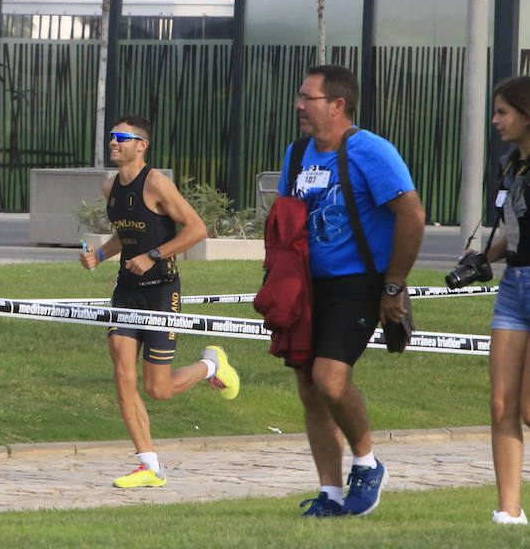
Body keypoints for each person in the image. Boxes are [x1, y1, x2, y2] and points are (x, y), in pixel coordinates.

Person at [277, 65, 425, 517]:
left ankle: (366, 463)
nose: (299, 106)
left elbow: (412, 216)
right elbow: (286, 218)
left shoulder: (370, 150)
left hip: (358, 285)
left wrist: (394, 285)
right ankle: (329, 493)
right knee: (308, 386)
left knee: (330, 380)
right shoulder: (297, 152)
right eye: (300, 97)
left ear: (338, 105)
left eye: (309, 98)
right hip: (306, 286)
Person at [79, 114, 241, 488]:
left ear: (142, 145)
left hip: (161, 289)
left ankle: (211, 366)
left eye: (122, 137)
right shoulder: (110, 188)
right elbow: (125, 234)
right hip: (127, 291)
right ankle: (149, 464)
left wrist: (153, 255)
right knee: (123, 375)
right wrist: (101, 255)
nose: (114, 143)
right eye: (112, 137)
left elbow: (197, 229)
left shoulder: (156, 183)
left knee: (158, 388)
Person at [470, 75, 530, 525]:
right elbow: (514, 230)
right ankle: (508, 512)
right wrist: (481, 257)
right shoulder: (512, 165)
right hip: (513, 286)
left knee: (529, 408)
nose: (494, 121)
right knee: (501, 404)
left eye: (503, 112)